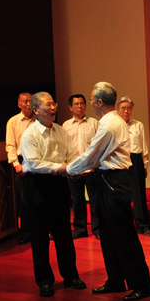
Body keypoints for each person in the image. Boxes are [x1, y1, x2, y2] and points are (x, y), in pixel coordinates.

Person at [63, 82, 150, 301]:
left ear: (100, 102)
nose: (90, 104)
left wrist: (67, 170)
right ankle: (115, 279)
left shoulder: (110, 124)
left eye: (91, 100)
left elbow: (91, 156)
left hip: (113, 181)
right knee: (107, 234)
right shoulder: (108, 121)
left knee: (123, 235)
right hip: (105, 179)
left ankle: (142, 284)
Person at [20, 92, 86, 297]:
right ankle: (44, 280)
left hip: (59, 183)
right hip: (37, 184)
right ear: (35, 110)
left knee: (63, 231)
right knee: (39, 235)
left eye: (53, 104)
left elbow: (72, 154)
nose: (53, 108)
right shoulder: (29, 134)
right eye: (48, 105)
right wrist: (61, 168)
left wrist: (74, 168)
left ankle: (70, 275)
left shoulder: (61, 131)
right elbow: (34, 163)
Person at [62, 94, 100, 239]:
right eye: (76, 104)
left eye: (82, 103)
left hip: (91, 168)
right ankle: (80, 229)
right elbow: (64, 147)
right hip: (74, 169)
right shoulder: (66, 126)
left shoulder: (94, 123)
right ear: (70, 107)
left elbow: (98, 145)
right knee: (77, 200)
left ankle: (98, 229)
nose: (80, 106)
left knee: (95, 200)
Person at [117, 96, 150, 236]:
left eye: (129, 108)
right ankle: (125, 227)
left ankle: (143, 226)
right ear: (118, 109)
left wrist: (145, 164)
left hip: (136, 160)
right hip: (120, 160)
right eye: (123, 108)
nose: (126, 111)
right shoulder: (115, 125)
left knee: (139, 195)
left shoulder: (138, 125)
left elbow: (144, 146)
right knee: (122, 196)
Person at [5, 92, 35, 244]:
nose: (28, 104)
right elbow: (10, 145)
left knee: (41, 198)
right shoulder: (13, 121)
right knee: (24, 200)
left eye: (31, 101)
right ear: (19, 104)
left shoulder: (39, 118)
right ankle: (26, 232)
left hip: (39, 161)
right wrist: (16, 164)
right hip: (22, 161)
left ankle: (44, 230)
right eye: (25, 101)